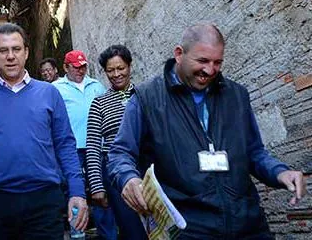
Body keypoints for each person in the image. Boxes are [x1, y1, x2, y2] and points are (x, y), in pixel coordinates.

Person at [108, 23, 306, 239]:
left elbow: (254, 152)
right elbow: (120, 154)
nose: (210, 70)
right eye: (202, 61)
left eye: (217, 62)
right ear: (179, 54)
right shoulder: (146, 98)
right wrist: (128, 179)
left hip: (248, 224)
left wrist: (280, 172)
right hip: (189, 230)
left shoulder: (237, 95)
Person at [0, 23, 88, 239]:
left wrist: (77, 191)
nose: (10, 56)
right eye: (3, 51)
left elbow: (65, 146)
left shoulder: (49, 93)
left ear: (26, 52)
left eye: (16, 49)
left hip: (43, 204)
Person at [53, 50, 117, 240]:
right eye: (76, 67)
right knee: (73, 189)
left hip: (96, 147)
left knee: (100, 190)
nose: (80, 70)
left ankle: (108, 234)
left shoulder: (96, 86)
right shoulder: (56, 88)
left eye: (83, 66)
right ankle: (77, 231)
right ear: (66, 67)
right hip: (71, 149)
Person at [86, 45, 147, 239]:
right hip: (116, 174)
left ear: (130, 66)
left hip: (148, 170)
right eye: (110, 70)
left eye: (121, 68)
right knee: (131, 229)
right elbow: (93, 146)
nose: (116, 74)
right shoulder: (99, 103)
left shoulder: (145, 96)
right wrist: (96, 186)